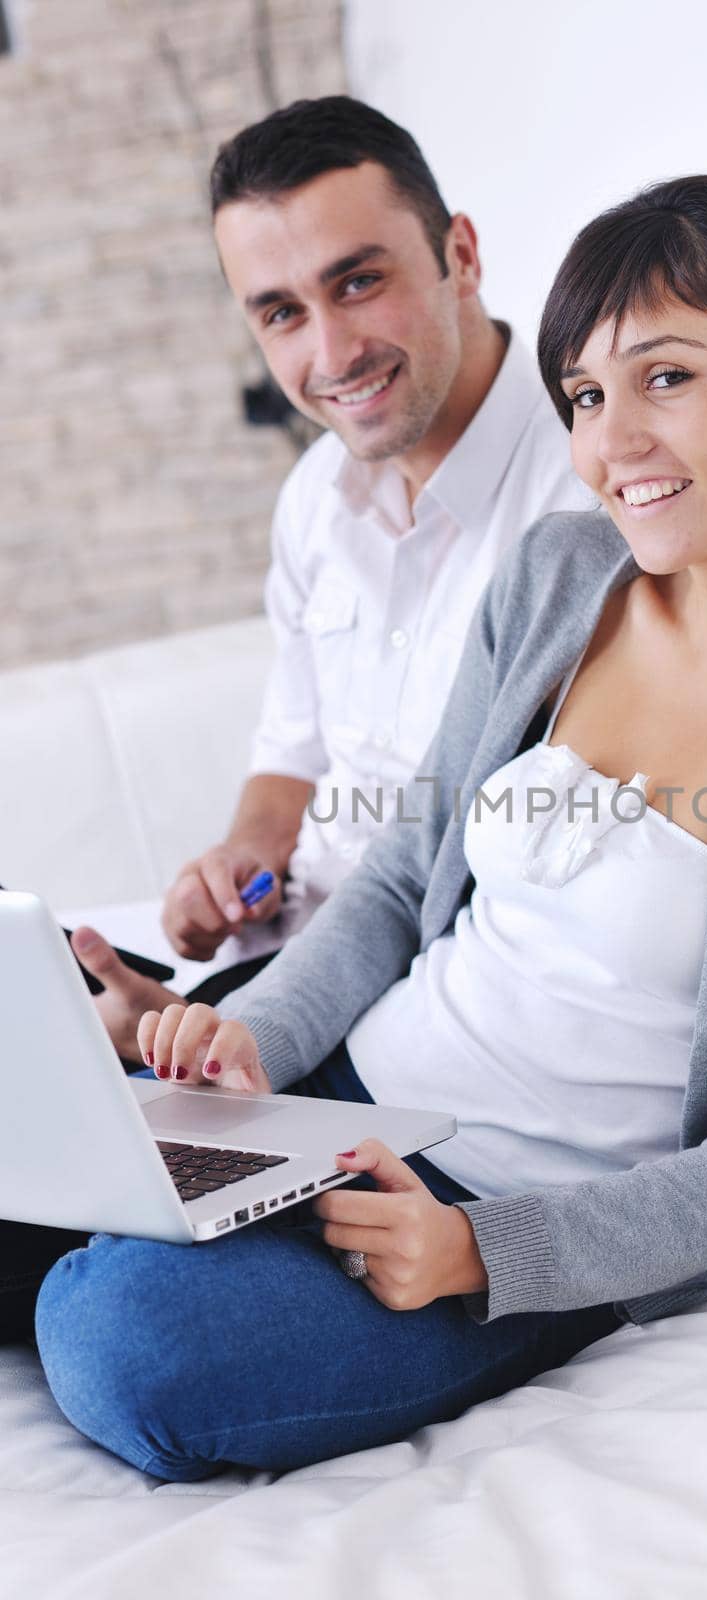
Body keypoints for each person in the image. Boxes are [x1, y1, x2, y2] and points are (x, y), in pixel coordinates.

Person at [13, 174, 707, 1481]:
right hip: (337, 1100)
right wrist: (257, 1037)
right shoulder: (558, 574)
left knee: (121, 1337)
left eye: (665, 379)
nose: (613, 443)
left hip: (497, 1212)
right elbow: (402, 875)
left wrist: (488, 1256)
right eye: (585, 397)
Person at [70, 95, 587, 1057]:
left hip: (409, 1000)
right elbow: (292, 763)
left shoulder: (591, 492)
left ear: (461, 256)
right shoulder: (316, 495)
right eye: (280, 313)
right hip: (275, 969)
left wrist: (222, 1035)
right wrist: (236, 869)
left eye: (357, 283)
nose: (331, 355)